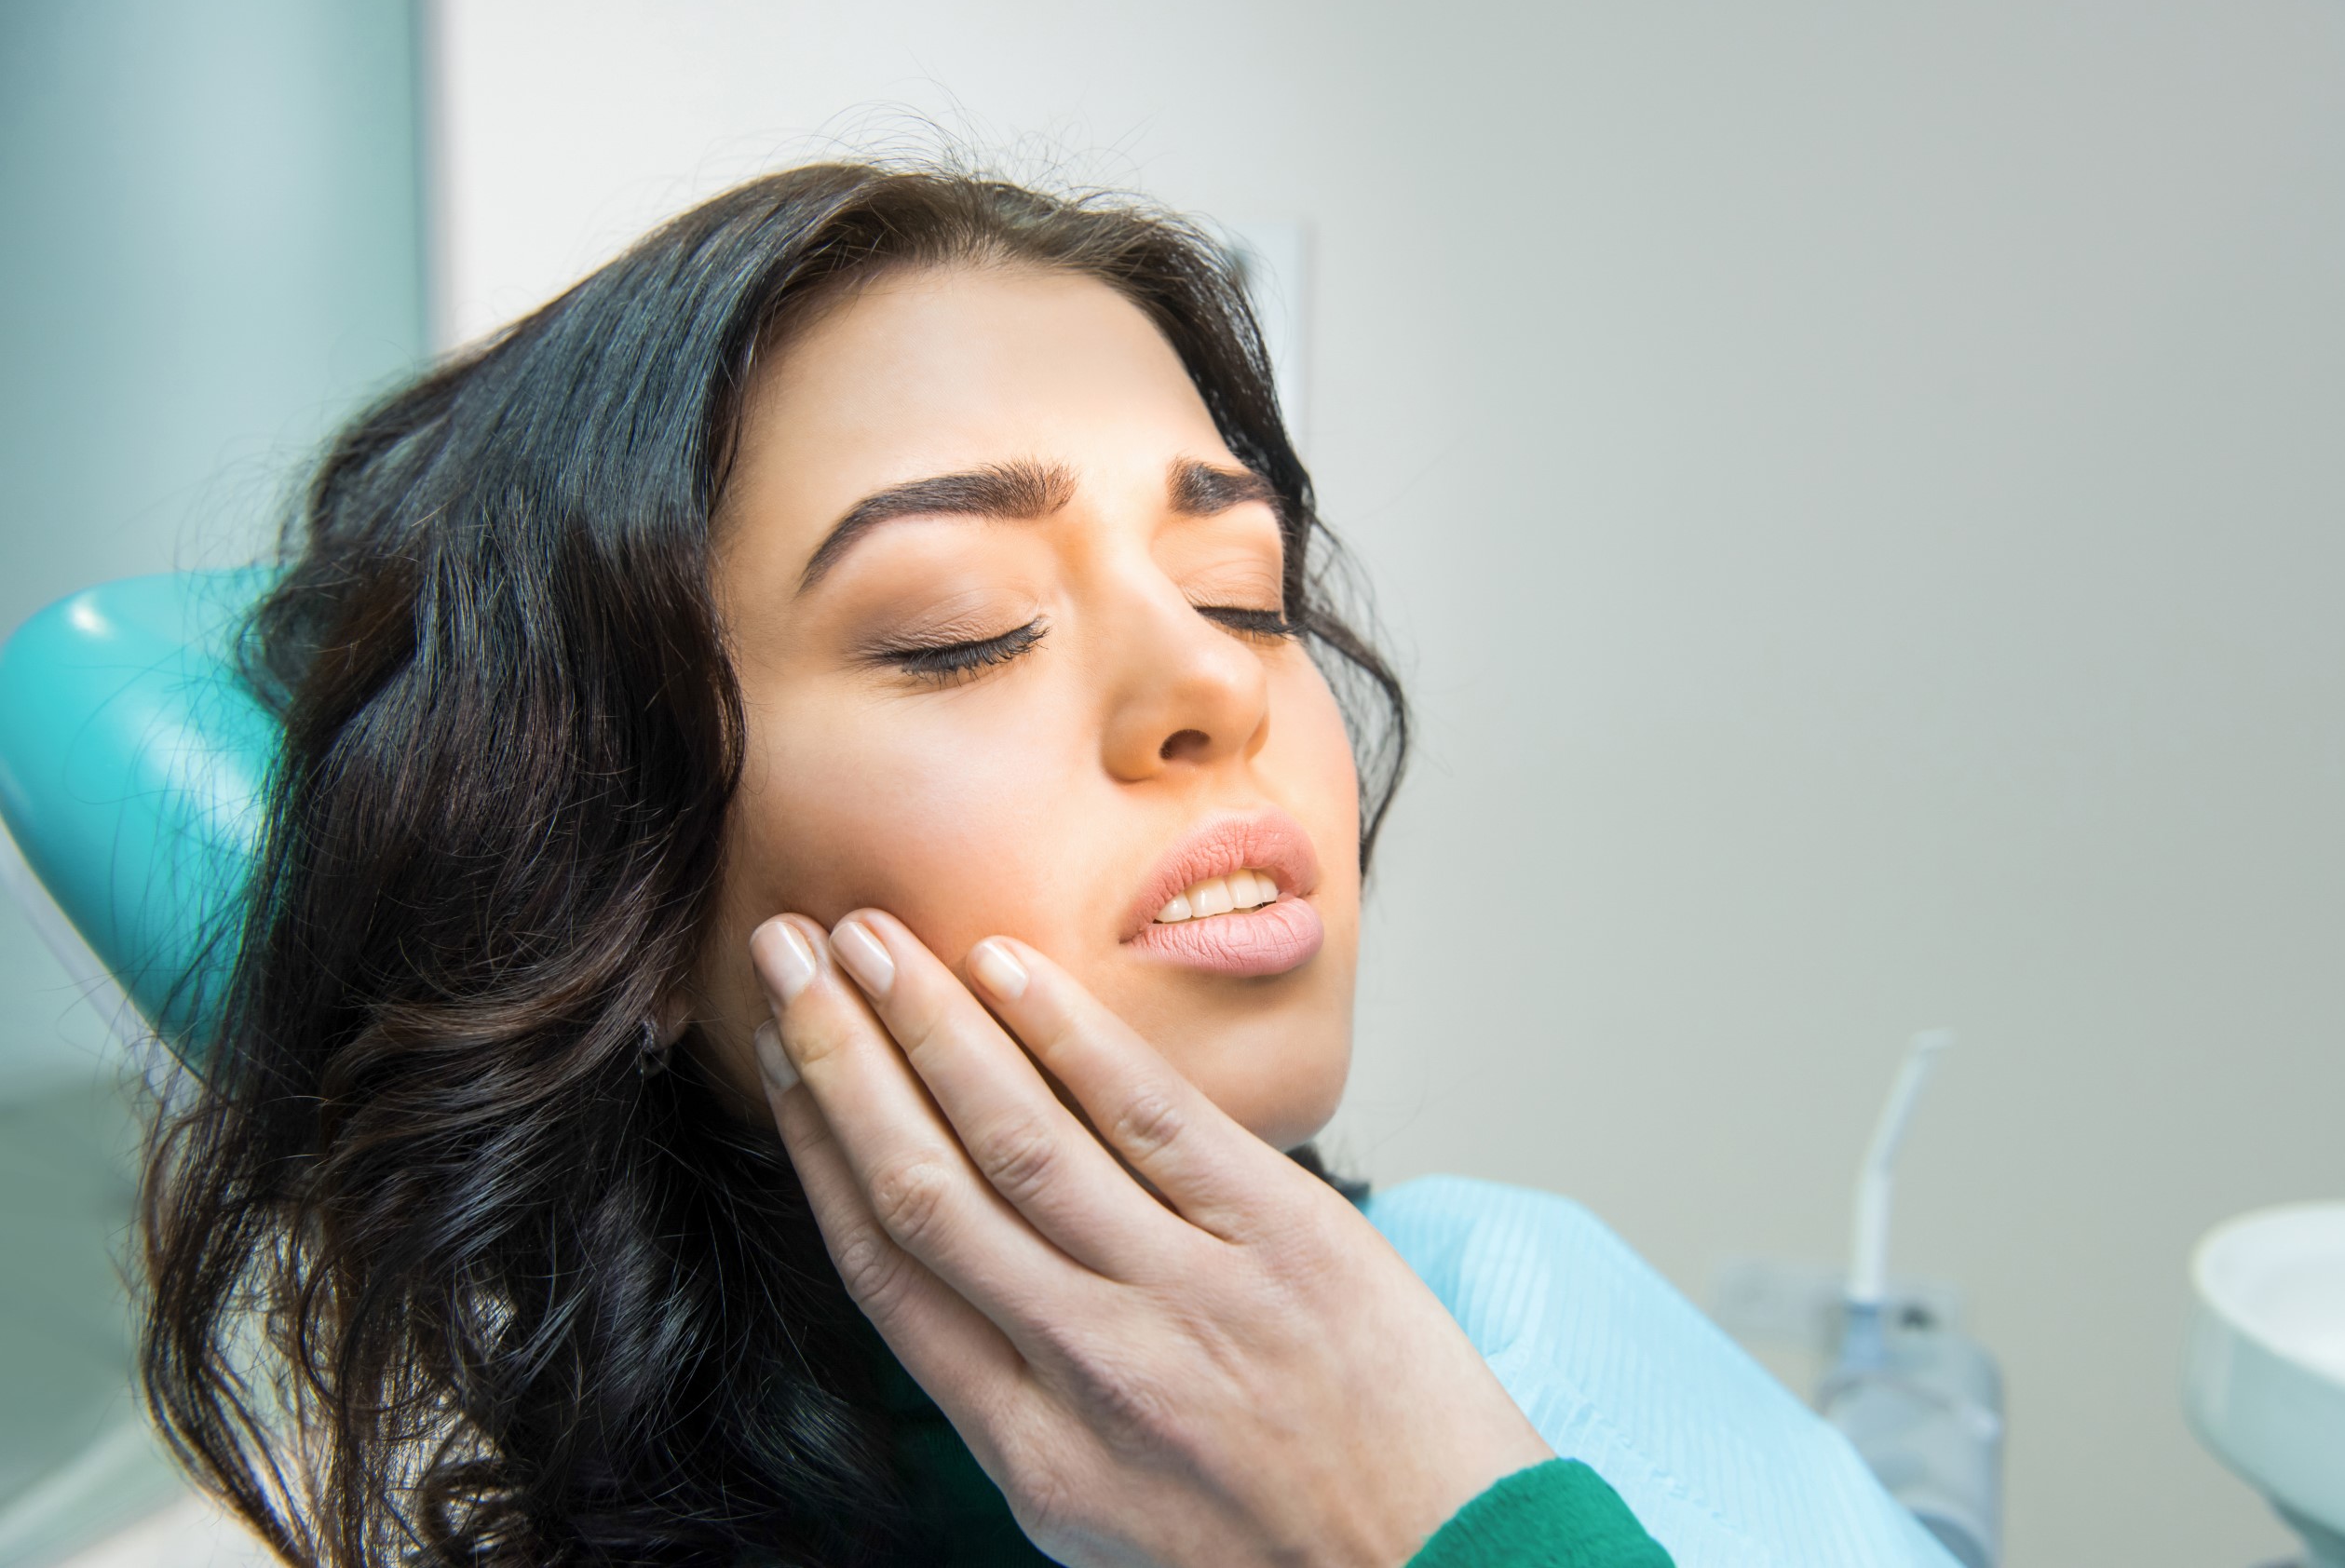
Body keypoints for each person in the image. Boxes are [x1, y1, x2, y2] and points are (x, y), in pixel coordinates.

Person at [137, 161, 1675, 1567]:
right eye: (964, 628)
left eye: (1242, 586)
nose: (1216, 685)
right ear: (632, 908)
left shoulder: (1539, 1299)